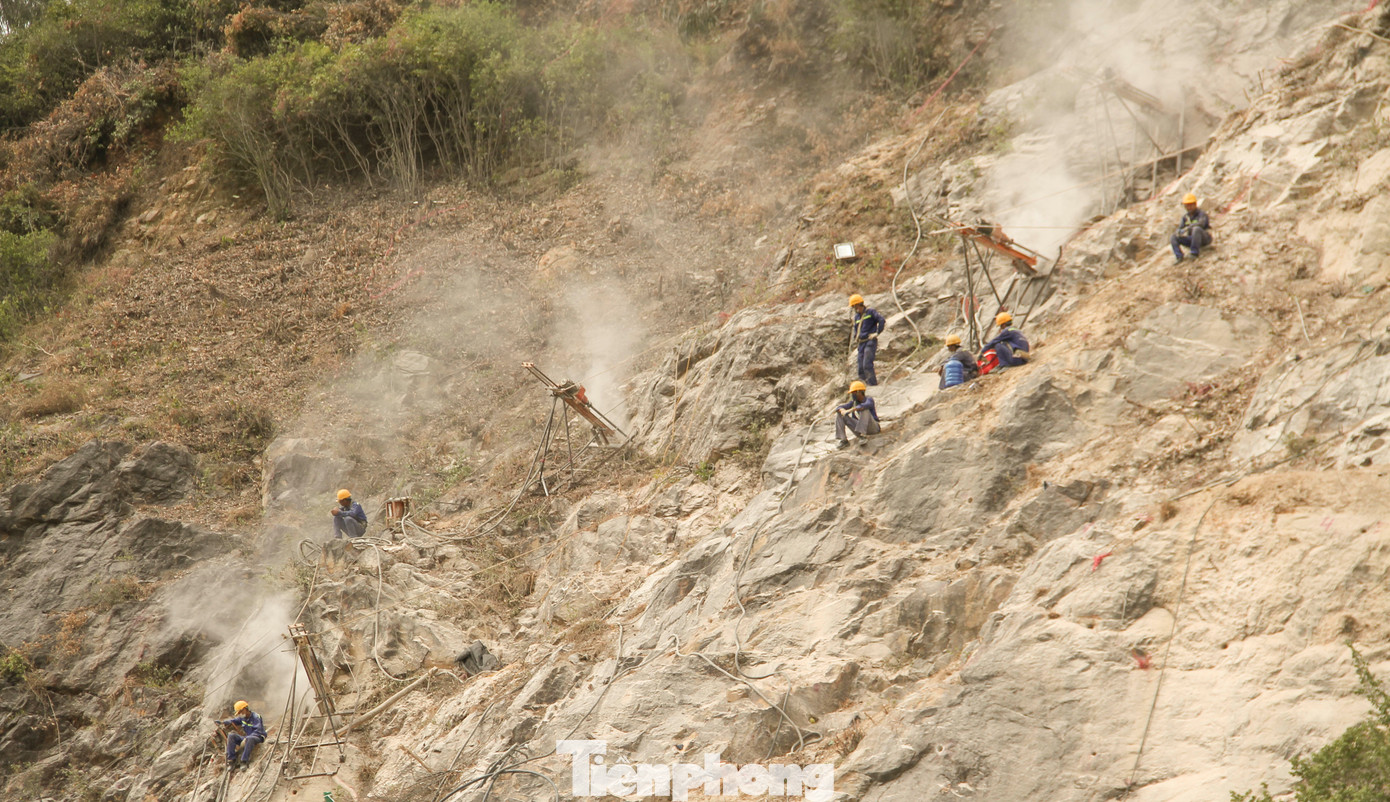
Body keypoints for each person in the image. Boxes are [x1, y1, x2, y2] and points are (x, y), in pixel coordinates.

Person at [849, 294, 886, 386]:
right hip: (861, 344)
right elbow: (856, 329)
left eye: (855, 306)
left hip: (870, 341)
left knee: (867, 364)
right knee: (860, 368)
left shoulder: (870, 312)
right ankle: (864, 387)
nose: (854, 308)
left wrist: (877, 333)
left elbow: (881, 320)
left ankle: (873, 385)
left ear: (859, 304)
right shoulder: (857, 317)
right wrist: (855, 338)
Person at [217, 700, 266, 770]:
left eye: (240, 712)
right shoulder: (243, 718)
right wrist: (222, 722)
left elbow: (258, 731)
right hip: (248, 737)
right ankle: (231, 760)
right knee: (231, 736)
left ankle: (244, 761)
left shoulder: (256, 717)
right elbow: (233, 721)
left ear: (245, 709)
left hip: (258, 737)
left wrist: (247, 738)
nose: (240, 714)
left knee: (250, 738)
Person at [834, 380, 880, 447]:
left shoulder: (869, 399)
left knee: (864, 410)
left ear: (859, 392)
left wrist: (851, 410)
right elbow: (839, 407)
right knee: (840, 415)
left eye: (853, 393)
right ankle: (843, 440)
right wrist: (842, 410)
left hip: (873, 427)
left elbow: (865, 405)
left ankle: (862, 435)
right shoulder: (854, 402)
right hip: (861, 427)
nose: (852, 395)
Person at [1170, 193, 1212, 263]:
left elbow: (1201, 223)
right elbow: (1180, 228)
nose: (1189, 208)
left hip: (1204, 238)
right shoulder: (1185, 217)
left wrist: (1189, 228)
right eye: (1187, 206)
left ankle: (1194, 253)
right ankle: (1179, 256)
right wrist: (1179, 231)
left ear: (1195, 204)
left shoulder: (1201, 214)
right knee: (1173, 236)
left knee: (1196, 229)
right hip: (1192, 239)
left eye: (1191, 205)